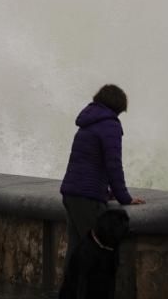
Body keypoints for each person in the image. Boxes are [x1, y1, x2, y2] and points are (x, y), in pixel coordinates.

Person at [59, 84, 145, 268]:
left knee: (76, 250)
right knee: (96, 251)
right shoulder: (109, 125)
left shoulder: (87, 123)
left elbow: (89, 163)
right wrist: (124, 198)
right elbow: (113, 165)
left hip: (71, 192)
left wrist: (108, 193)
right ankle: (91, 295)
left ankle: (70, 294)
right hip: (87, 197)